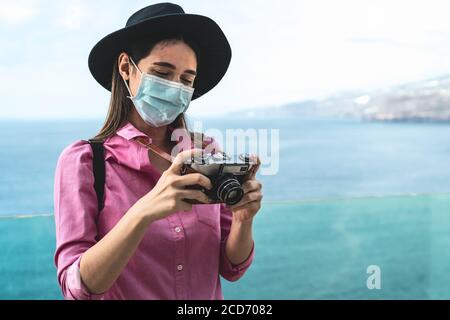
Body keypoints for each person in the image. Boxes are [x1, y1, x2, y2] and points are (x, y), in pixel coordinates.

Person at [53, 3, 263, 300]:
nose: (175, 87)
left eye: (187, 79)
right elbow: (77, 288)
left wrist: (243, 219)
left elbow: (232, 268)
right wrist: (145, 210)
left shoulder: (207, 152)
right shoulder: (85, 162)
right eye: (163, 72)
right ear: (126, 67)